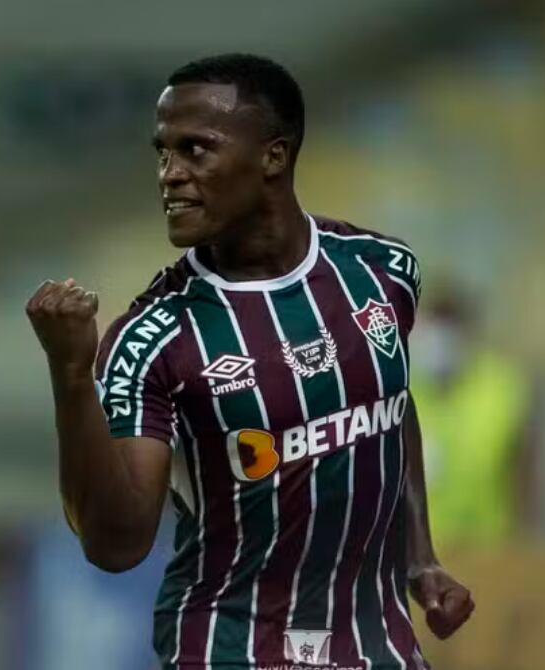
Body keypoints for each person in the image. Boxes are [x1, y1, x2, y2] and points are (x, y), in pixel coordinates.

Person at [26, 54, 473, 669]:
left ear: (273, 156)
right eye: (163, 153)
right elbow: (116, 544)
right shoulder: (155, 338)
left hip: (375, 647)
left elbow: (388, 406)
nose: (170, 175)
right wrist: (71, 374)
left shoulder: (383, 271)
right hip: (229, 647)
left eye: (196, 150)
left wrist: (419, 557)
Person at [409, 288, 535, 549]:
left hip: (491, 548)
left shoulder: (501, 386)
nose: (440, 342)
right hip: (421, 553)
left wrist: (524, 537)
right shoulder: (400, 389)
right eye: (433, 329)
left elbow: (525, 467)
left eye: (449, 329)